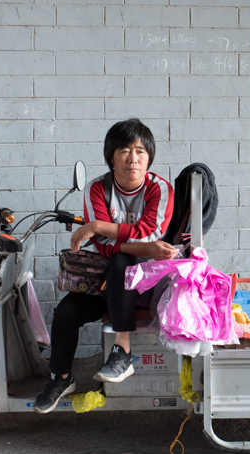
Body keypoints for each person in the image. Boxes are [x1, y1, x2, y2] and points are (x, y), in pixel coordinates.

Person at [34, 118, 179, 414]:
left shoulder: (159, 189)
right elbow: (102, 245)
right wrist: (143, 247)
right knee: (66, 312)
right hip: (110, 284)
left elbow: (152, 232)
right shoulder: (97, 189)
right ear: (111, 156)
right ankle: (60, 378)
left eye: (140, 151)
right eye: (125, 150)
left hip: (151, 284)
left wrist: (99, 225)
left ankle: (122, 352)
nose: (133, 158)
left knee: (122, 259)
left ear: (149, 157)